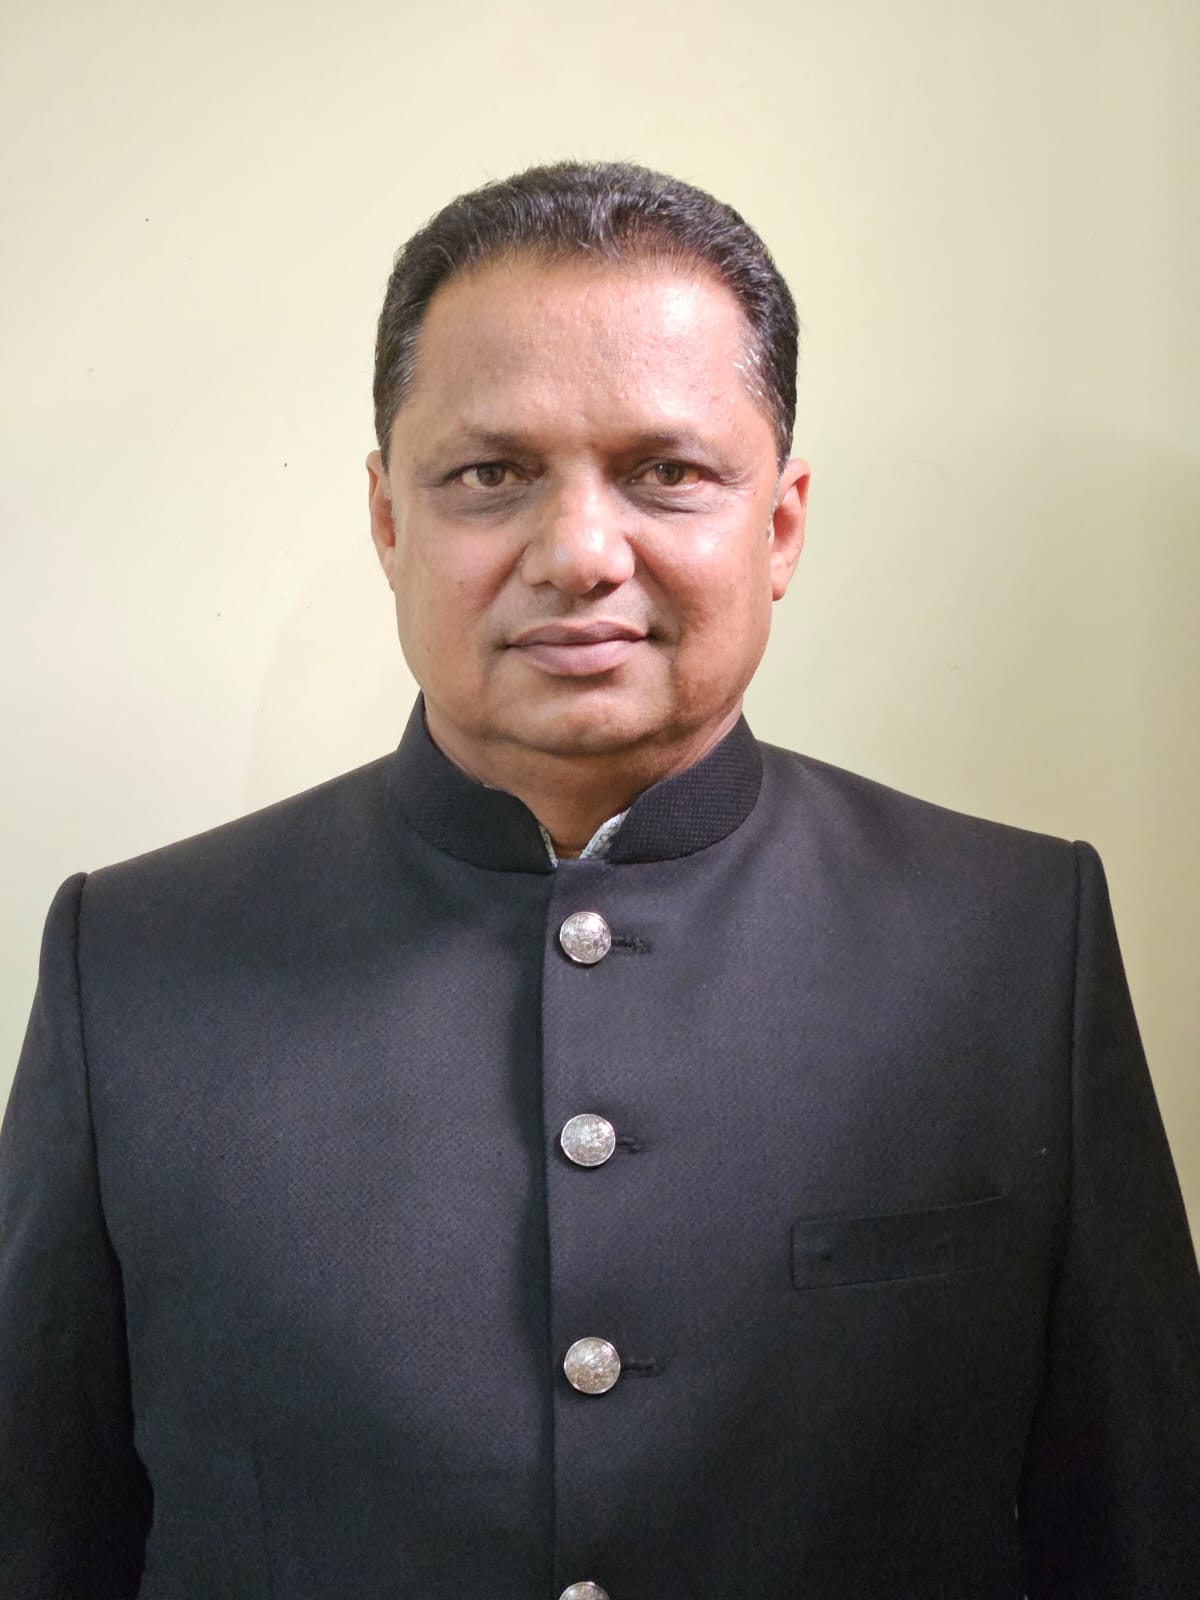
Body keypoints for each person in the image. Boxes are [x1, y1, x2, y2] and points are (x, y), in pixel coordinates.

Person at [1, 161, 1197, 1600]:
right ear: (389, 518)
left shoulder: (1013, 942)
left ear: (783, 522)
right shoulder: (129, 961)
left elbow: (1143, 1534)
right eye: (489, 475)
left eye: (667, 472)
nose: (578, 553)